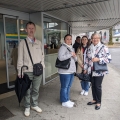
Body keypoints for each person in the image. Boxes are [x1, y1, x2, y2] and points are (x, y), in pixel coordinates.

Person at [17, 21, 45, 116]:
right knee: (27, 91)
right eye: (29, 28)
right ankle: (27, 106)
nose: (31, 30)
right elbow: (20, 58)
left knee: (36, 89)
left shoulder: (39, 43)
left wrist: (42, 65)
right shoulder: (22, 43)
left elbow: (42, 56)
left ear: (35, 29)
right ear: (26, 30)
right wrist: (19, 70)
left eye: (32, 28)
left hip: (38, 71)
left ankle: (34, 104)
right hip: (27, 71)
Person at [84, 33, 111, 110]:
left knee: (98, 86)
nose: (95, 39)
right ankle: (94, 99)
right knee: (93, 85)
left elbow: (108, 59)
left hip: (99, 71)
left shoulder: (104, 47)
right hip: (91, 70)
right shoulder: (89, 48)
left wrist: (99, 59)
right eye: (93, 38)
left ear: (99, 39)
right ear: (91, 39)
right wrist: (85, 68)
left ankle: (99, 102)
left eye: (97, 38)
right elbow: (87, 59)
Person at [58, 34, 77, 108]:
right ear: (64, 40)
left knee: (68, 86)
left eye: (70, 39)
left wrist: (75, 56)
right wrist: (70, 54)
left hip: (71, 71)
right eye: (67, 39)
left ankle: (67, 99)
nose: (69, 40)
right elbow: (60, 58)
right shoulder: (63, 47)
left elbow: (75, 60)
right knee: (64, 87)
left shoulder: (71, 48)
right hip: (64, 71)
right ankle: (64, 101)